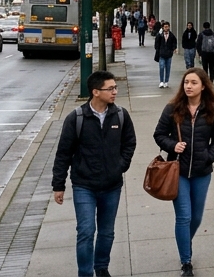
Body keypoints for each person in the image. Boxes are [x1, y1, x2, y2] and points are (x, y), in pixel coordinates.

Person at [52, 71, 137, 277]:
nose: (115, 92)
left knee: (107, 233)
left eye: (115, 87)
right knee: (86, 232)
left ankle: (101, 268)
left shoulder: (120, 115)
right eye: (111, 88)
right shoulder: (77, 118)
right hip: (84, 186)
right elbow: (64, 152)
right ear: (96, 92)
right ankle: (85, 273)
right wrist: (58, 185)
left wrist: (120, 166)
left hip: (112, 185)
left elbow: (129, 143)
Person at [154, 68, 214, 276]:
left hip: (202, 172)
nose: (188, 86)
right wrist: (172, 145)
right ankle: (186, 262)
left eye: (194, 83)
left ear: (203, 86)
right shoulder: (172, 109)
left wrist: (209, 156)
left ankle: (185, 241)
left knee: (196, 218)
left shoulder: (213, 110)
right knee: (183, 217)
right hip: (179, 172)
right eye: (186, 82)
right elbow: (159, 134)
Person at [154, 22, 178, 88]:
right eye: (165, 27)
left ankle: (166, 81)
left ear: (169, 27)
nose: (166, 28)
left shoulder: (172, 35)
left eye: (167, 26)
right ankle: (161, 81)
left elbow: (174, 43)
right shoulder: (160, 35)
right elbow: (156, 43)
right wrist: (158, 50)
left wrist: (173, 49)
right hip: (161, 54)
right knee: (161, 67)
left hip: (169, 54)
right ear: (163, 27)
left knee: (168, 68)